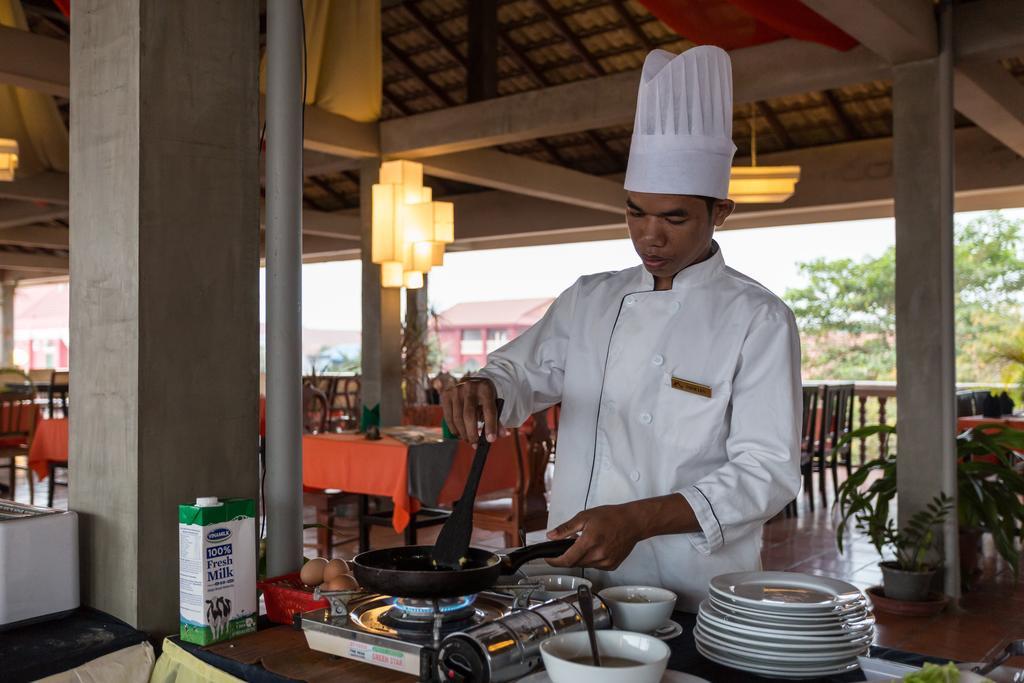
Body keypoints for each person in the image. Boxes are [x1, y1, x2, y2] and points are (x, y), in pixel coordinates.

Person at [441, 45, 801, 611]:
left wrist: (639, 519)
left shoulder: (757, 317)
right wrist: (487, 387)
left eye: (674, 218)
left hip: (690, 585)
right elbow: (520, 371)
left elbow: (767, 471)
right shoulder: (591, 297)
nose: (648, 237)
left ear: (720, 214)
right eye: (635, 212)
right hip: (571, 573)